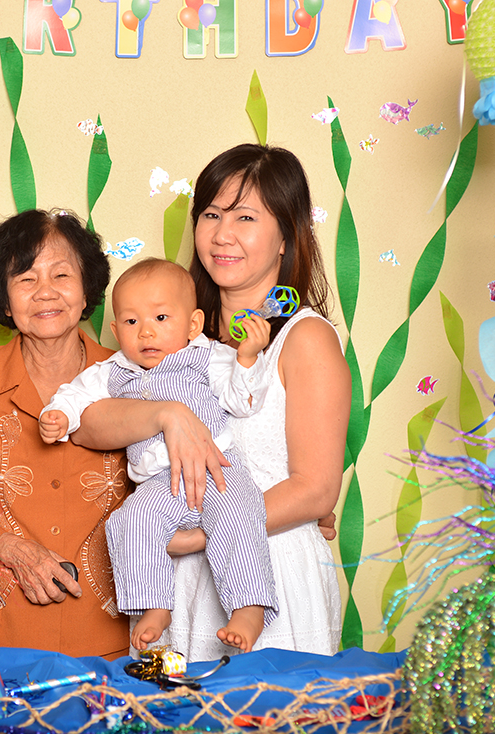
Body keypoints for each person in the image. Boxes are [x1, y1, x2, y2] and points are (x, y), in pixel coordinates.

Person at [72, 144, 349, 660]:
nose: (223, 234)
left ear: (287, 235)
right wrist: (166, 414)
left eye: (245, 217)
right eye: (211, 215)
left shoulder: (306, 338)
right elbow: (87, 422)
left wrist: (195, 537)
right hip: (177, 588)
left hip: (271, 576)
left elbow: (315, 490)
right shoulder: (172, 333)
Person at [40, 258, 277, 653]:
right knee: (129, 522)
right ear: (116, 331)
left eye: (161, 317)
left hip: (216, 472)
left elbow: (243, 400)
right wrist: (59, 416)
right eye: (131, 323)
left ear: (193, 325)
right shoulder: (115, 370)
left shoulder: (208, 357)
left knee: (240, 515)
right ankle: (153, 605)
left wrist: (248, 358)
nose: (146, 331)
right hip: (158, 484)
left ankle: (249, 606)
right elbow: (77, 395)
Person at [0, 209, 132, 659]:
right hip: (2, 635)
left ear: (87, 287)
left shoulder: (132, 375)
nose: (45, 292)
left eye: (61, 274)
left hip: (121, 633)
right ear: (4, 301)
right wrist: (9, 548)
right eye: (25, 279)